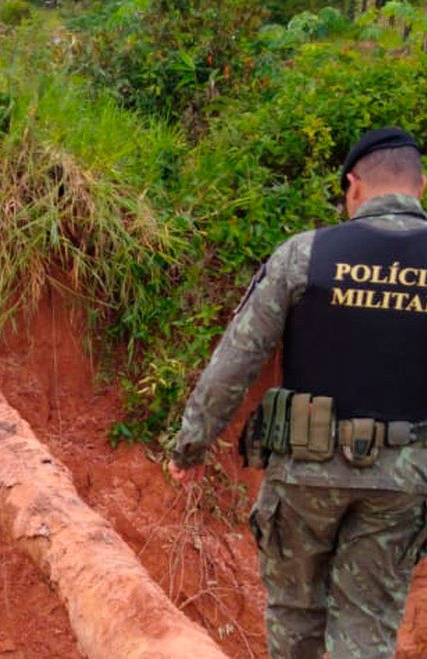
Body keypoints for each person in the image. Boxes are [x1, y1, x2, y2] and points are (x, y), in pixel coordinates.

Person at [169, 126, 427, 659]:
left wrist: (191, 446)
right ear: (420, 184)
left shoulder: (305, 255)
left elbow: (237, 359)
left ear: (353, 186)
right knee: (368, 628)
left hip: (306, 471)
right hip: (404, 478)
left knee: (294, 615)